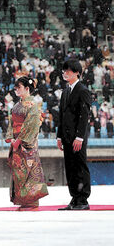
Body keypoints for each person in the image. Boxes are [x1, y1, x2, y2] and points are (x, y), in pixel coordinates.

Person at [5, 77, 48, 211]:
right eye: (16, 88)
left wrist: (19, 140)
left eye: (19, 87)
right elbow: (12, 123)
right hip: (16, 141)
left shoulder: (33, 105)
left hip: (26, 143)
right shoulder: (17, 105)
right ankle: (23, 200)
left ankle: (32, 201)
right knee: (19, 171)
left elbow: (31, 125)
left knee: (28, 171)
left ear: (27, 89)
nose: (16, 90)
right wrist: (11, 138)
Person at [57, 59, 92, 210]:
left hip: (77, 137)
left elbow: (84, 116)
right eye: (64, 71)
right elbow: (61, 116)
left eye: (69, 71)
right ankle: (74, 198)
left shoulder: (83, 90)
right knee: (70, 167)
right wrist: (59, 136)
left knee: (80, 166)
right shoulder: (65, 92)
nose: (65, 73)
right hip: (66, 136)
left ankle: (83, 199)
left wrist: (80, 137)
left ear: (77, 72)